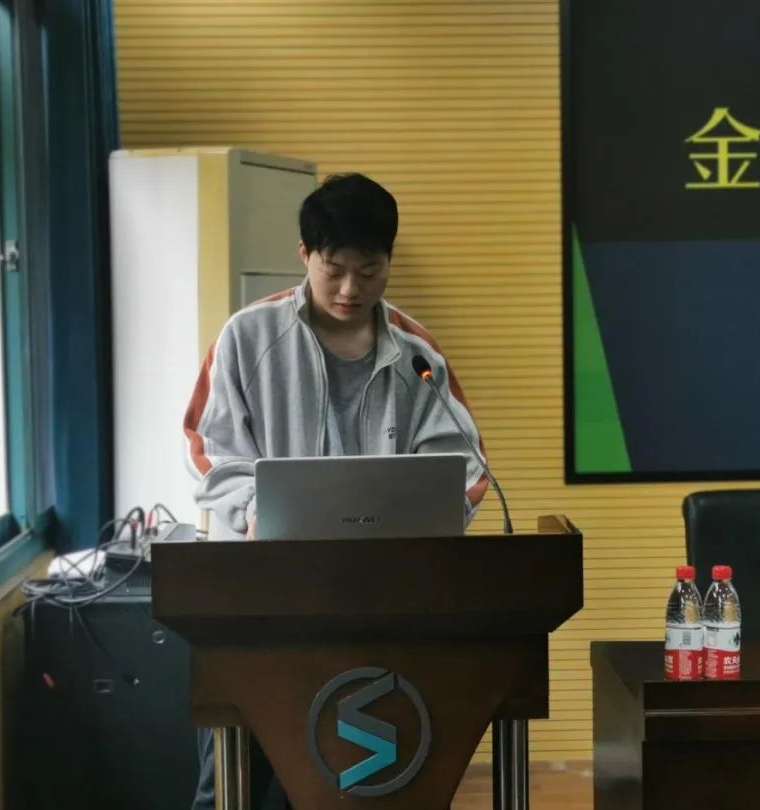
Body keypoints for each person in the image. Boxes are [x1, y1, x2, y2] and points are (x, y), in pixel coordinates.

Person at [181, 173, 490, 809]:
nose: (351, 289)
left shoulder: (418, 354)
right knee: (235, 779)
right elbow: (207, 449)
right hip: (261, 600)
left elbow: (463, 468)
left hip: (381, 603)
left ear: (388, 263)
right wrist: (255, 508)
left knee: (356, 777)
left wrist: (436, 512)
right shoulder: (247, 337)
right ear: (305, 255)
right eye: (334, 270)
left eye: (369, 271)